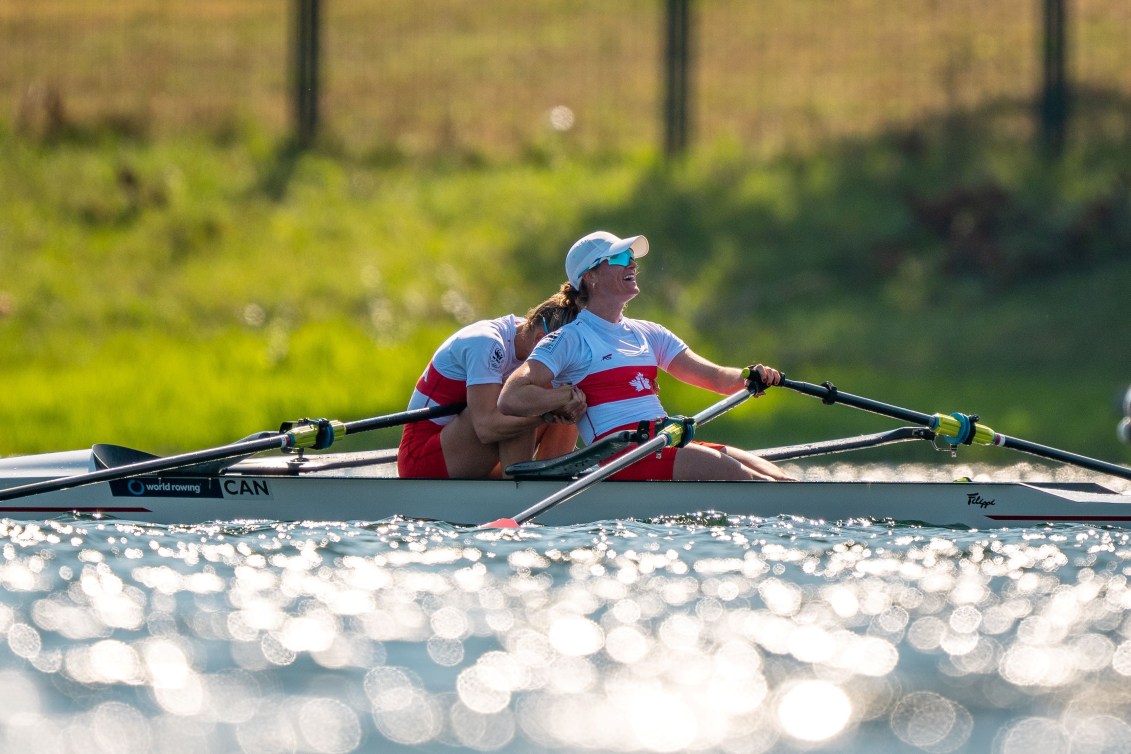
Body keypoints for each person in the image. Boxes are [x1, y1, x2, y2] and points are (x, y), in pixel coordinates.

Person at [498, 230, 795, 482]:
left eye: (631, 256)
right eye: (618, 258)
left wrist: (751, 376)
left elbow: (717, 378)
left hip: (663, 441)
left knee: (779, 479)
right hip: (622, 457)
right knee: (747, 479)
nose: (631, 262)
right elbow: (510, 397)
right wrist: (560, 399)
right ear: (590, 277)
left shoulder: (649, 333)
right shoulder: (568, 339)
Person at [397, 287, 587, 479]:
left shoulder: (528, 336)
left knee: (570, 399)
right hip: (421, 460)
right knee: (520, 403)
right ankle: (519, 495)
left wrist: (566, 407)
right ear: (540, 339)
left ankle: (552, 483)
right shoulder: (486, 343)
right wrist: (546, 416)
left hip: (463, 449)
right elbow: (486, 429)